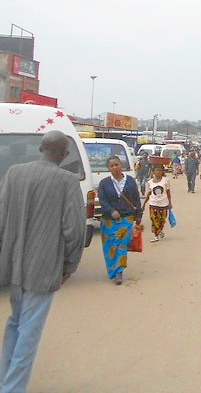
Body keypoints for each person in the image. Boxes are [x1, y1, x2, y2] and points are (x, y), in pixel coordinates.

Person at [0, 131, 86, 392]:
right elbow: (74, 230)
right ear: (65, 154)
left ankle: (5, 380)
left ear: (40, 148)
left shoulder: (14, 173)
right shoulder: (67, 181)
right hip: (43, 267)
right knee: (29, 332)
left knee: (15, 323)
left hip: (13, 264)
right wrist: (69, 266)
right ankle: (12, 388)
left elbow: (1, 217)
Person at [97, 156, 143, 285]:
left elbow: (136, 199)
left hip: (126, 220)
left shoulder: (130, 181)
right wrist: (111, 211)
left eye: (116, 165)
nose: (115, 168)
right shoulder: (104, 183)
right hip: (109, 221)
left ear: (121, 165)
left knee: (121, 245)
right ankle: (112, 270)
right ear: (108, 168)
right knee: (110, 246)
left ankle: (119, 272)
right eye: (111, 166)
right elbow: (102, 200)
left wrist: (138, 216)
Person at [143, 164, 172, 243]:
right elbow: (149, 194)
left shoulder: (166, 181)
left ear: (162, 172)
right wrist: (144, 204)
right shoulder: (150, 182)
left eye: (160, 170)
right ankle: (156, 235)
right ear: (153, 172)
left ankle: (160, 230)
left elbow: (168, 193)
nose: (158, 172)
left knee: (162, 220)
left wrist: (170, 203)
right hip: (153, 204)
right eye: (156, 170)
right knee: (154, 219)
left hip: (164, 204)